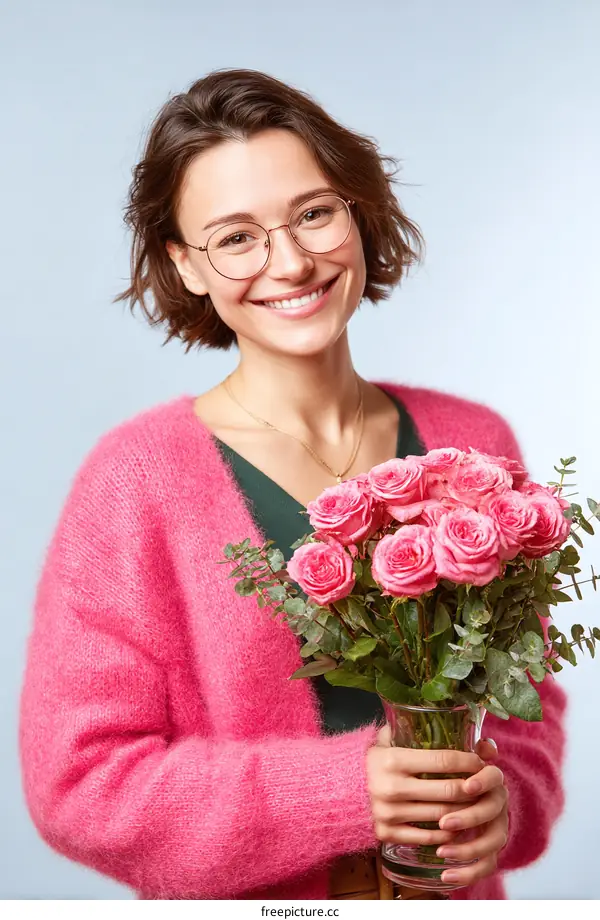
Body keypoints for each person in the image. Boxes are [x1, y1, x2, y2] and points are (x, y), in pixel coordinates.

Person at [19, 68, 566, 901]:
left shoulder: (474, 444)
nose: (291, 261)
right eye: (235, 237)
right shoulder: (134, 481)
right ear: (187, 265)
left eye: (313, 213)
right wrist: (347, 792)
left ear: (357, 211)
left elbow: (528, 707)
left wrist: (506, 804)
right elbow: (81, 785)